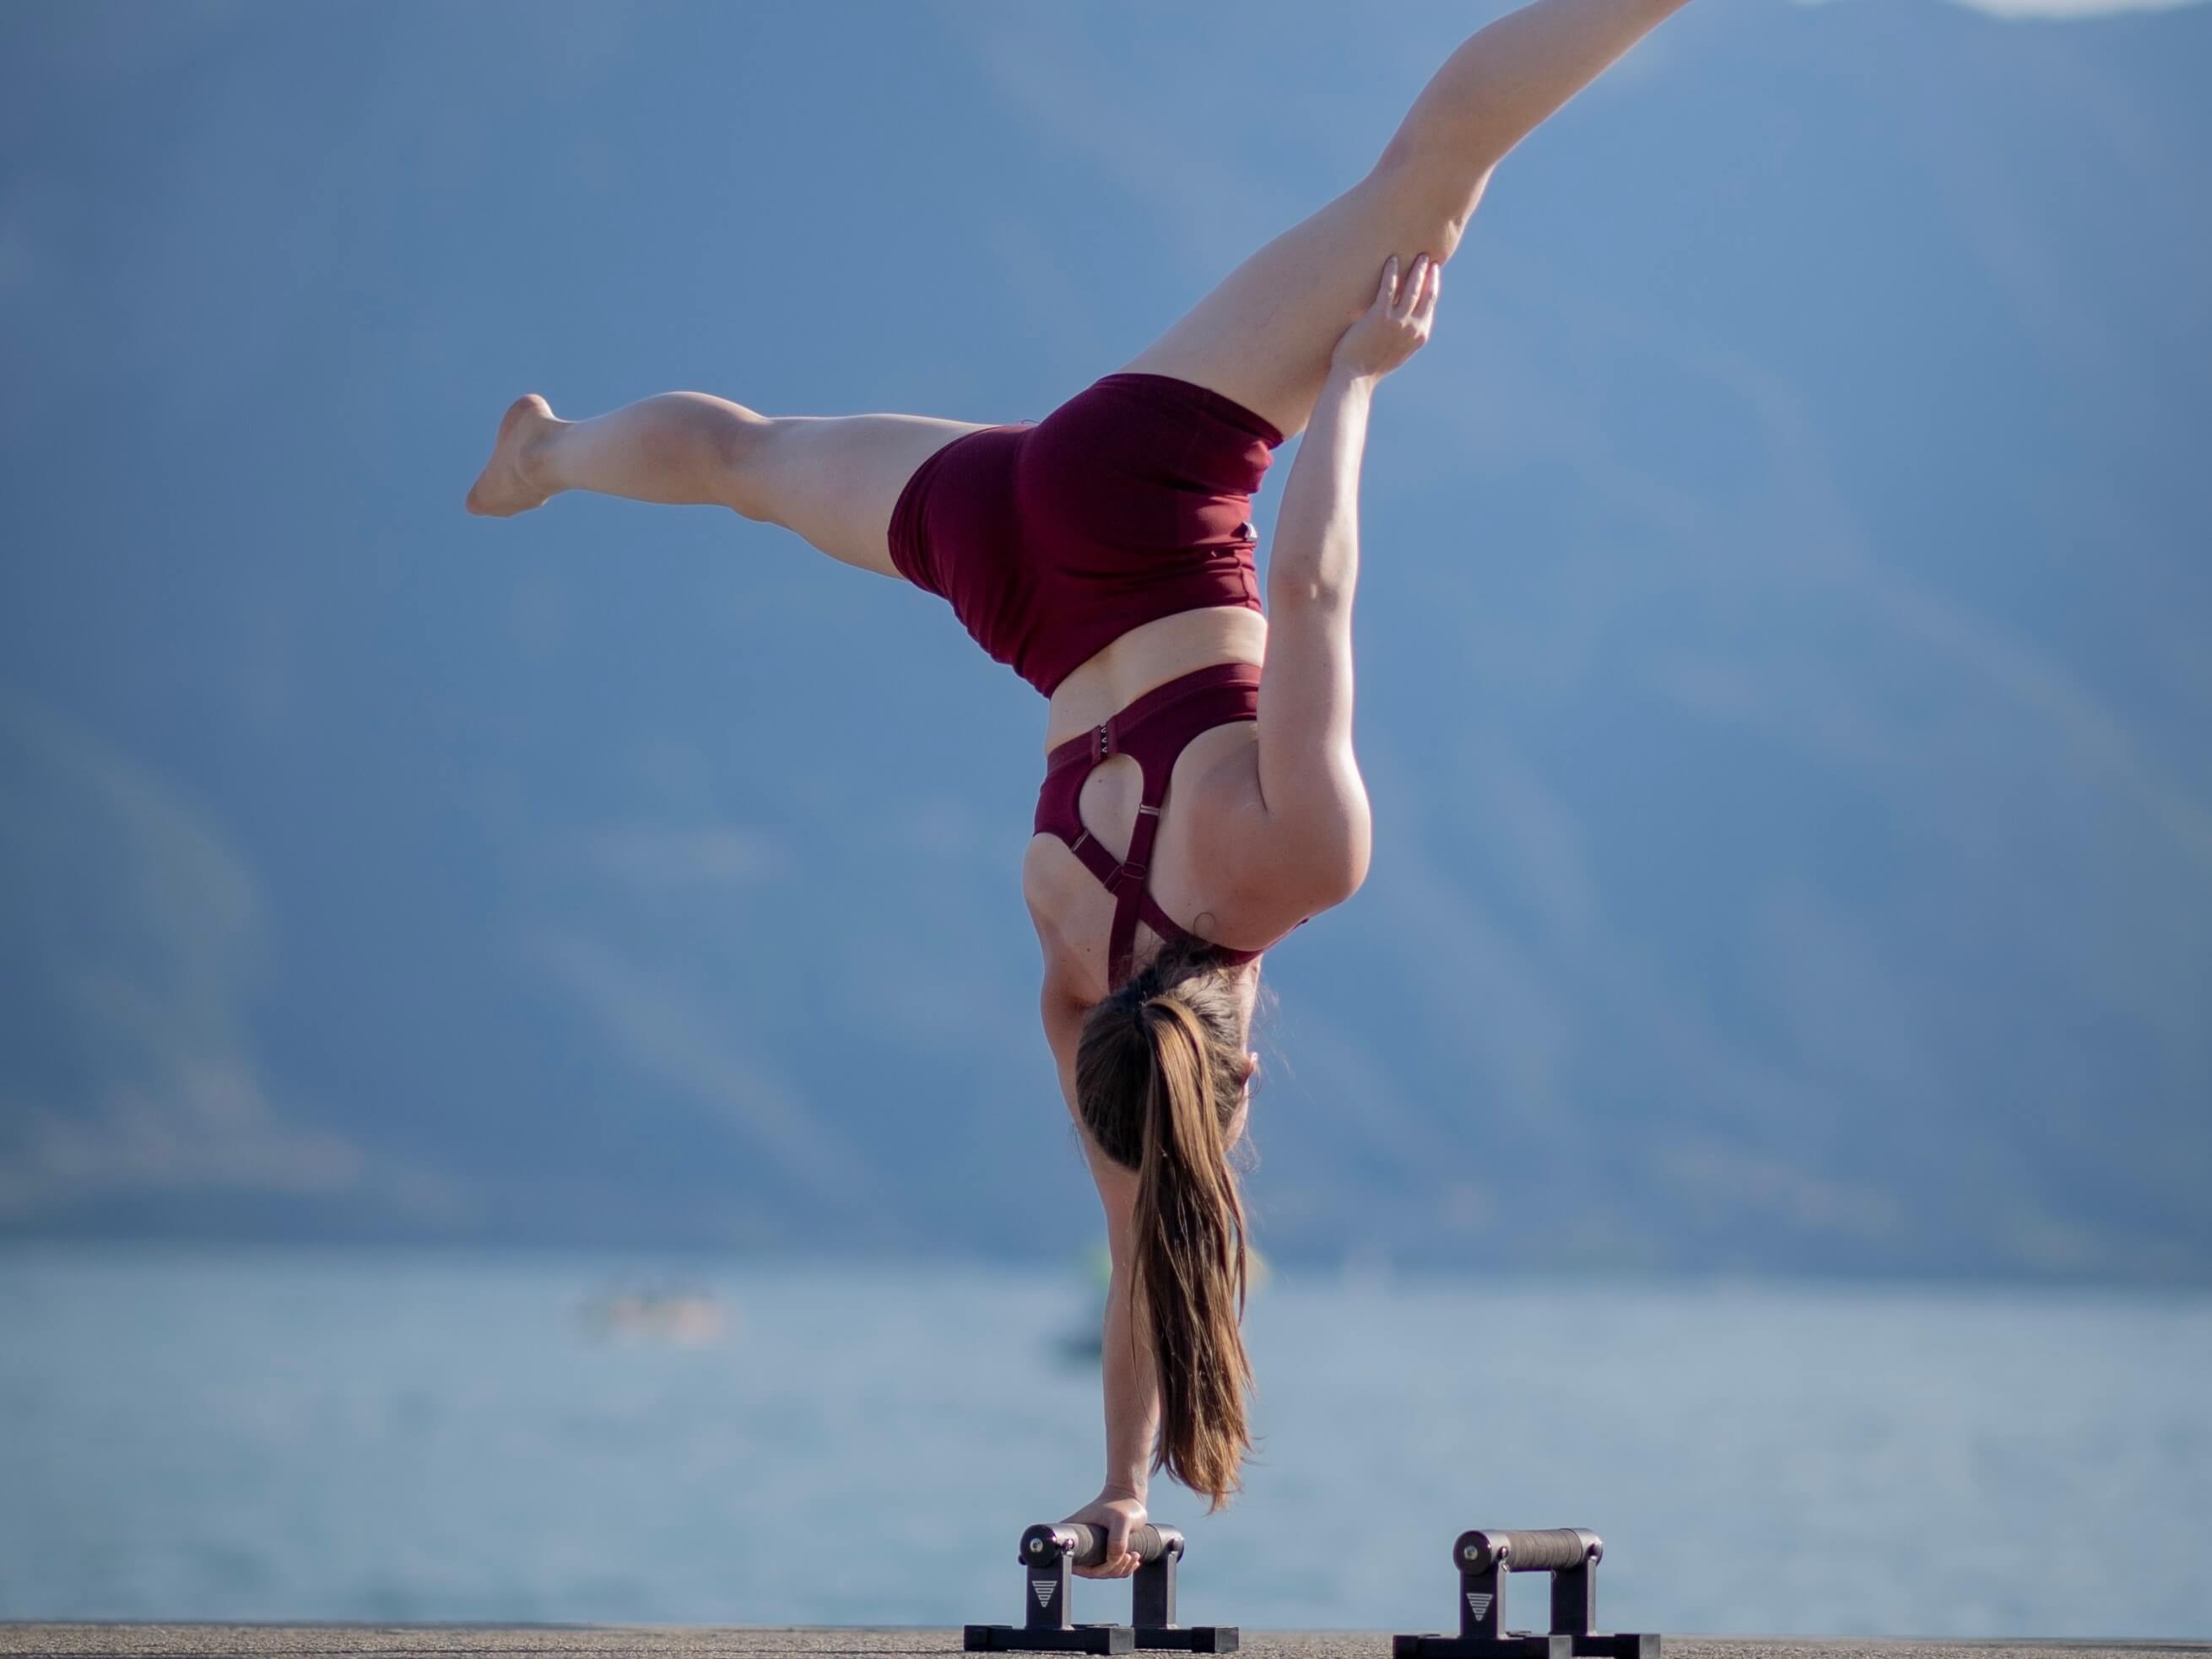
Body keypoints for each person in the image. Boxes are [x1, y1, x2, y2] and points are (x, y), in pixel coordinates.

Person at [466, 0, 1693, 1578]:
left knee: (1431, 179)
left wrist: (1363, 379)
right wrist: (1119, 1487)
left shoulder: (1295, 866)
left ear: (1244, 1073)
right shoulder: (1076, 986)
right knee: (748, 463)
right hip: (1016, 578)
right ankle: (549, 457)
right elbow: (1143, 1247)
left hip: (1143, 490)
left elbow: (1313, 594)